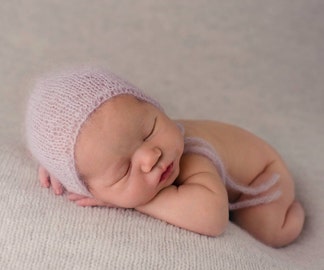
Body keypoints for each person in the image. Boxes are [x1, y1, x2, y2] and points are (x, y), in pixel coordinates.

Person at [26, 67, 305, 247]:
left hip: (264, 177)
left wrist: (134, 202)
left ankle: (295, 214)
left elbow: (212, 217)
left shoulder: (192, 156)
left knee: (265, 232)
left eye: (150, 130)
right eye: (123, 170)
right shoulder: (103, 150)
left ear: (154, 106)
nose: (151, 156)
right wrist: (58, 166)